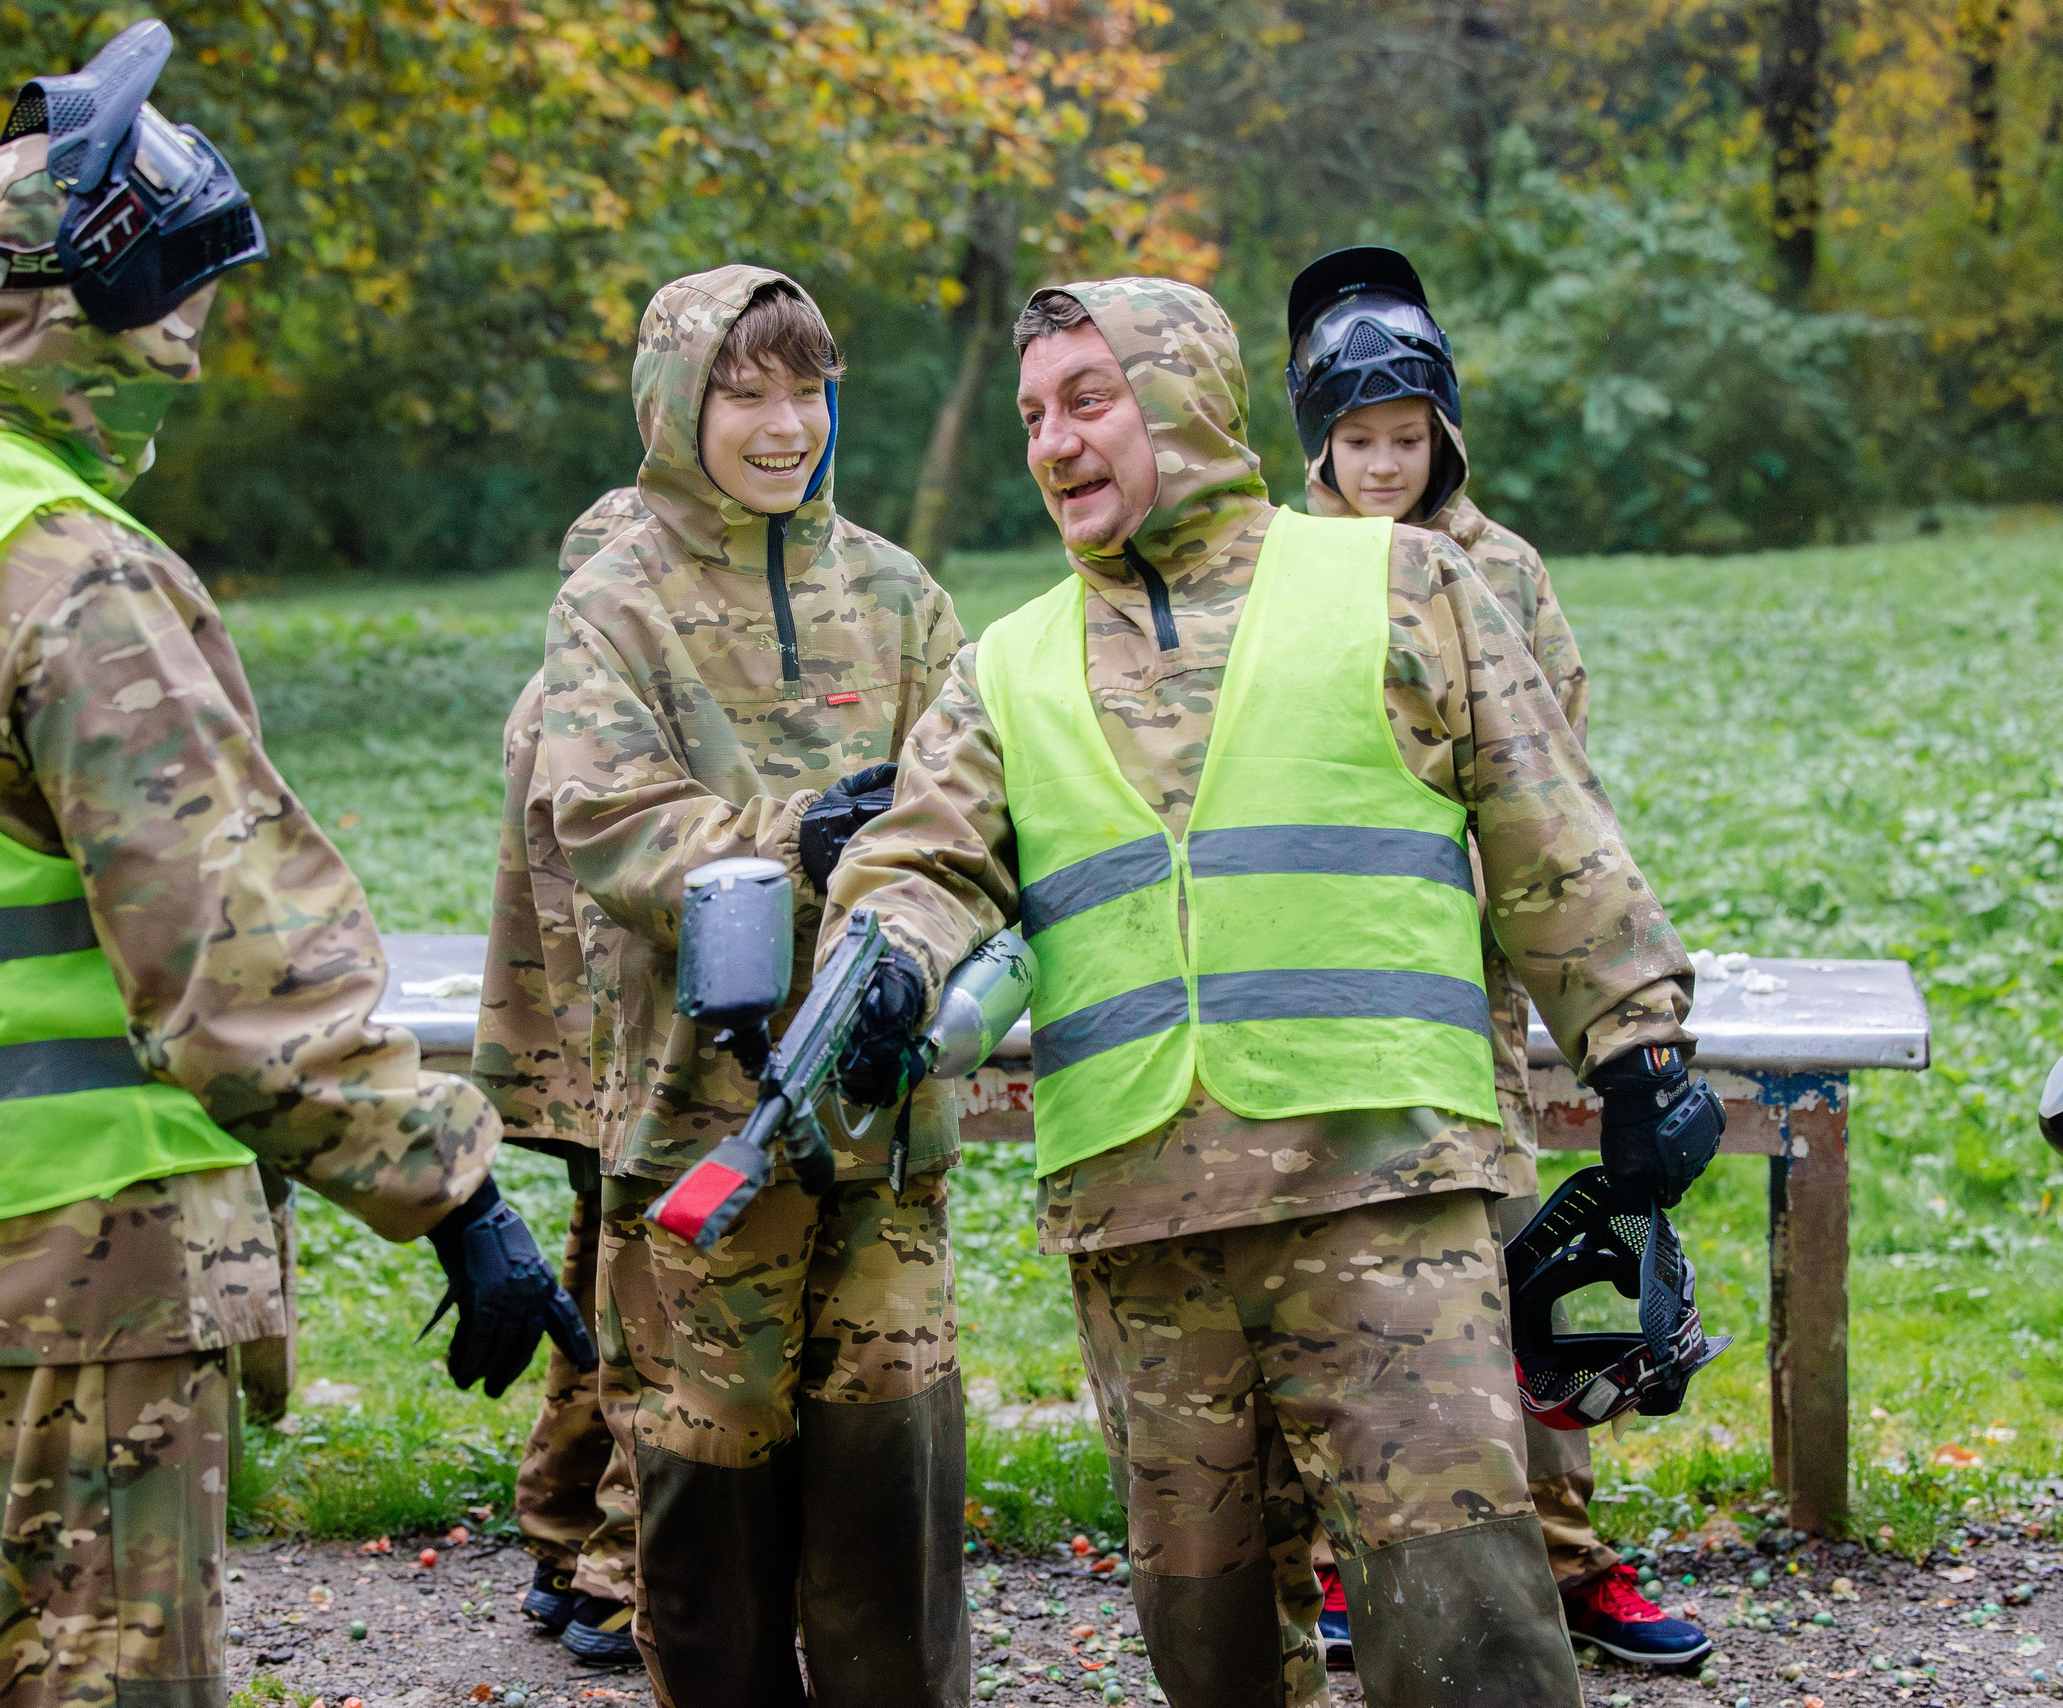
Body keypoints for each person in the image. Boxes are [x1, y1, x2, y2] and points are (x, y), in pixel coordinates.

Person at [0, 26, 587, 1706]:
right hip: (88, 1283)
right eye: (186, 309)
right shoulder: (67, 575)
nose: (195, 346)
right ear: (104, 307)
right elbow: (241, 976)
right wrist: (454, 1192)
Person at [822, 275, 1715, 1708]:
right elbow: (919, 863)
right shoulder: (1009, 667)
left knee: (1466, 1627)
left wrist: (1638, 1042)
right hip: (1144, 1226)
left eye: (1090, 400)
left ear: (1180, 397)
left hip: (1382, 1194)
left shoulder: (1404, 583)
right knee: (1213, 1648)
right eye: (1035, 414)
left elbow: (1548, 826)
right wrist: (880, 961)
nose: (1054, 443)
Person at [544, 264, 968, 1707]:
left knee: (888, 1472)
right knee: (707, 1481)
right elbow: (604, 820)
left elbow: (977, 814)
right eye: (747, 391)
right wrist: (797, 844)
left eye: (808, 389)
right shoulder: (617, 603)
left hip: (885, 1125)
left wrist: (911, 914)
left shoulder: (900, 594)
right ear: (679, 403)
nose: (786, 424)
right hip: (697, 1132)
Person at [1285, 245, 1710, 1669]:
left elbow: (1554, 778)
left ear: (1445, 433)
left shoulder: (1502, 572)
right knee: (1349, 1288)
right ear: (1315, 443)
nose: (1385, 465)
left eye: (1408, 440)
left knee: (1519, 1273)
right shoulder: (1275, 570)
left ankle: (1569, 1558)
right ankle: (1349, 1564)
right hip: (1327, 987)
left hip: (1476, 990)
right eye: (1358, 443)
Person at [478, 485, 651, 1667]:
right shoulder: (600, 699)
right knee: (653, 1315)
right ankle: (622, 1570)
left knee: (601, 1290)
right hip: (629, 1064)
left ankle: (558, 1539)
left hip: (569, 1065)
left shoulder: (545, 690)